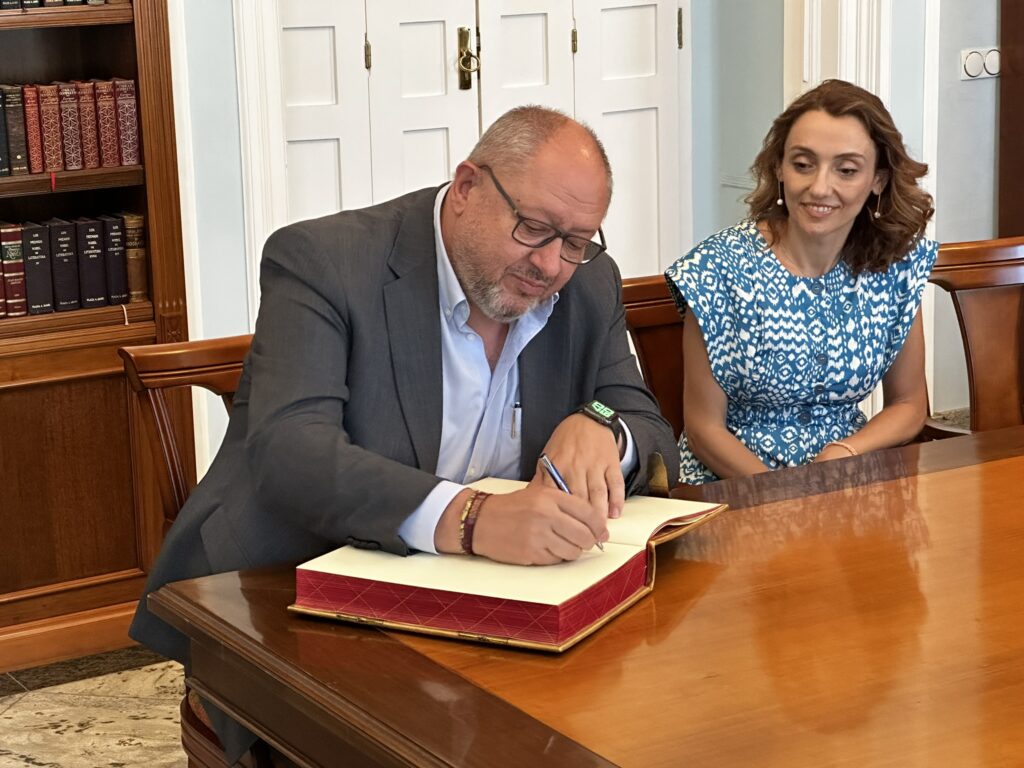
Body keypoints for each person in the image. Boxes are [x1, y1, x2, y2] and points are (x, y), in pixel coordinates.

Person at [131, 105, 678, 762]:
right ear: (469, 186)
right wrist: (473, 520)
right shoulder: (325, 261)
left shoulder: (588, 283)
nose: (552, 265)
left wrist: (601, 429)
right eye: (534, 229)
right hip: (287, 593)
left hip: (489, 611)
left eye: (576, 241)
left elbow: (648, 428)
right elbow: (291, 453)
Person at [665, 79, 936, 484]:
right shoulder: (717, 269)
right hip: (735, 485)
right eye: (803, 164)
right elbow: (705, 432)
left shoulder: (893, 266)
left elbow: (911, 405)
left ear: (878, 180)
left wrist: (846, 452)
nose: (819, 187)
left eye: (846, 170)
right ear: (778, 167)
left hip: (847, 479)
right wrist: (785, 496)